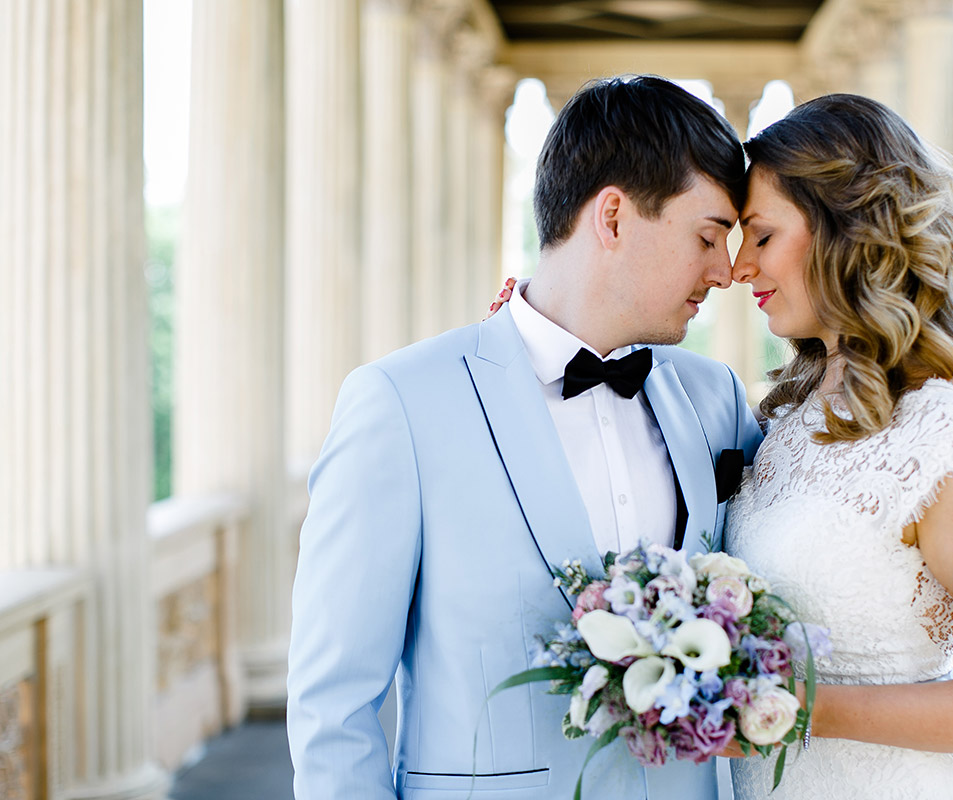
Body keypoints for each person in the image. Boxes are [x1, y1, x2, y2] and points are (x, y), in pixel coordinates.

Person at [286, 75, 762, 800]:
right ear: (612, 217)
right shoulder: (401, 405)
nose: (726, 271)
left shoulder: (716, 398)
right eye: (708, 236)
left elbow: (811, 569)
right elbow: (332, 711)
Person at [721, 93, 953, 798]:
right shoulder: (793, 412)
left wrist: (796, 711)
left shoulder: (947, 435)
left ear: (845, 232)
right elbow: (881, 615)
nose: (738, 267)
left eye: (761, 237)